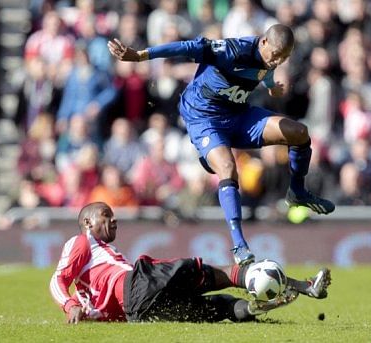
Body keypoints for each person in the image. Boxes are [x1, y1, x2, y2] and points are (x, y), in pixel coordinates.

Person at [108, 24, 335, 265]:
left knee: (299, 132)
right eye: (276, 54)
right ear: (264, 42)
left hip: (238, 115)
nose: (277, 61)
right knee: (228, 168)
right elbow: (187, 47)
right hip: (204, 117)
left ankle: (297, 192)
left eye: (283, 57)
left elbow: (263, 71)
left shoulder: (270, 57)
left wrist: (271, 86)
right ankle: (239, 245)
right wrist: (141, 55)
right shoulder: (232, 50)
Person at [50, 202, 331, 323]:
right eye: (105, 214)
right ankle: (302, 285)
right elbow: (57, 279)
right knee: (209, 273)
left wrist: (79, 306)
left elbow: (88, 300)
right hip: (137, 283)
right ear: (87, 222)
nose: (113, 219)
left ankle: (253, 308)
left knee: (213, 309)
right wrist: (70, 304)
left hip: (138, 312)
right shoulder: (82, 242)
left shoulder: (89, 293)